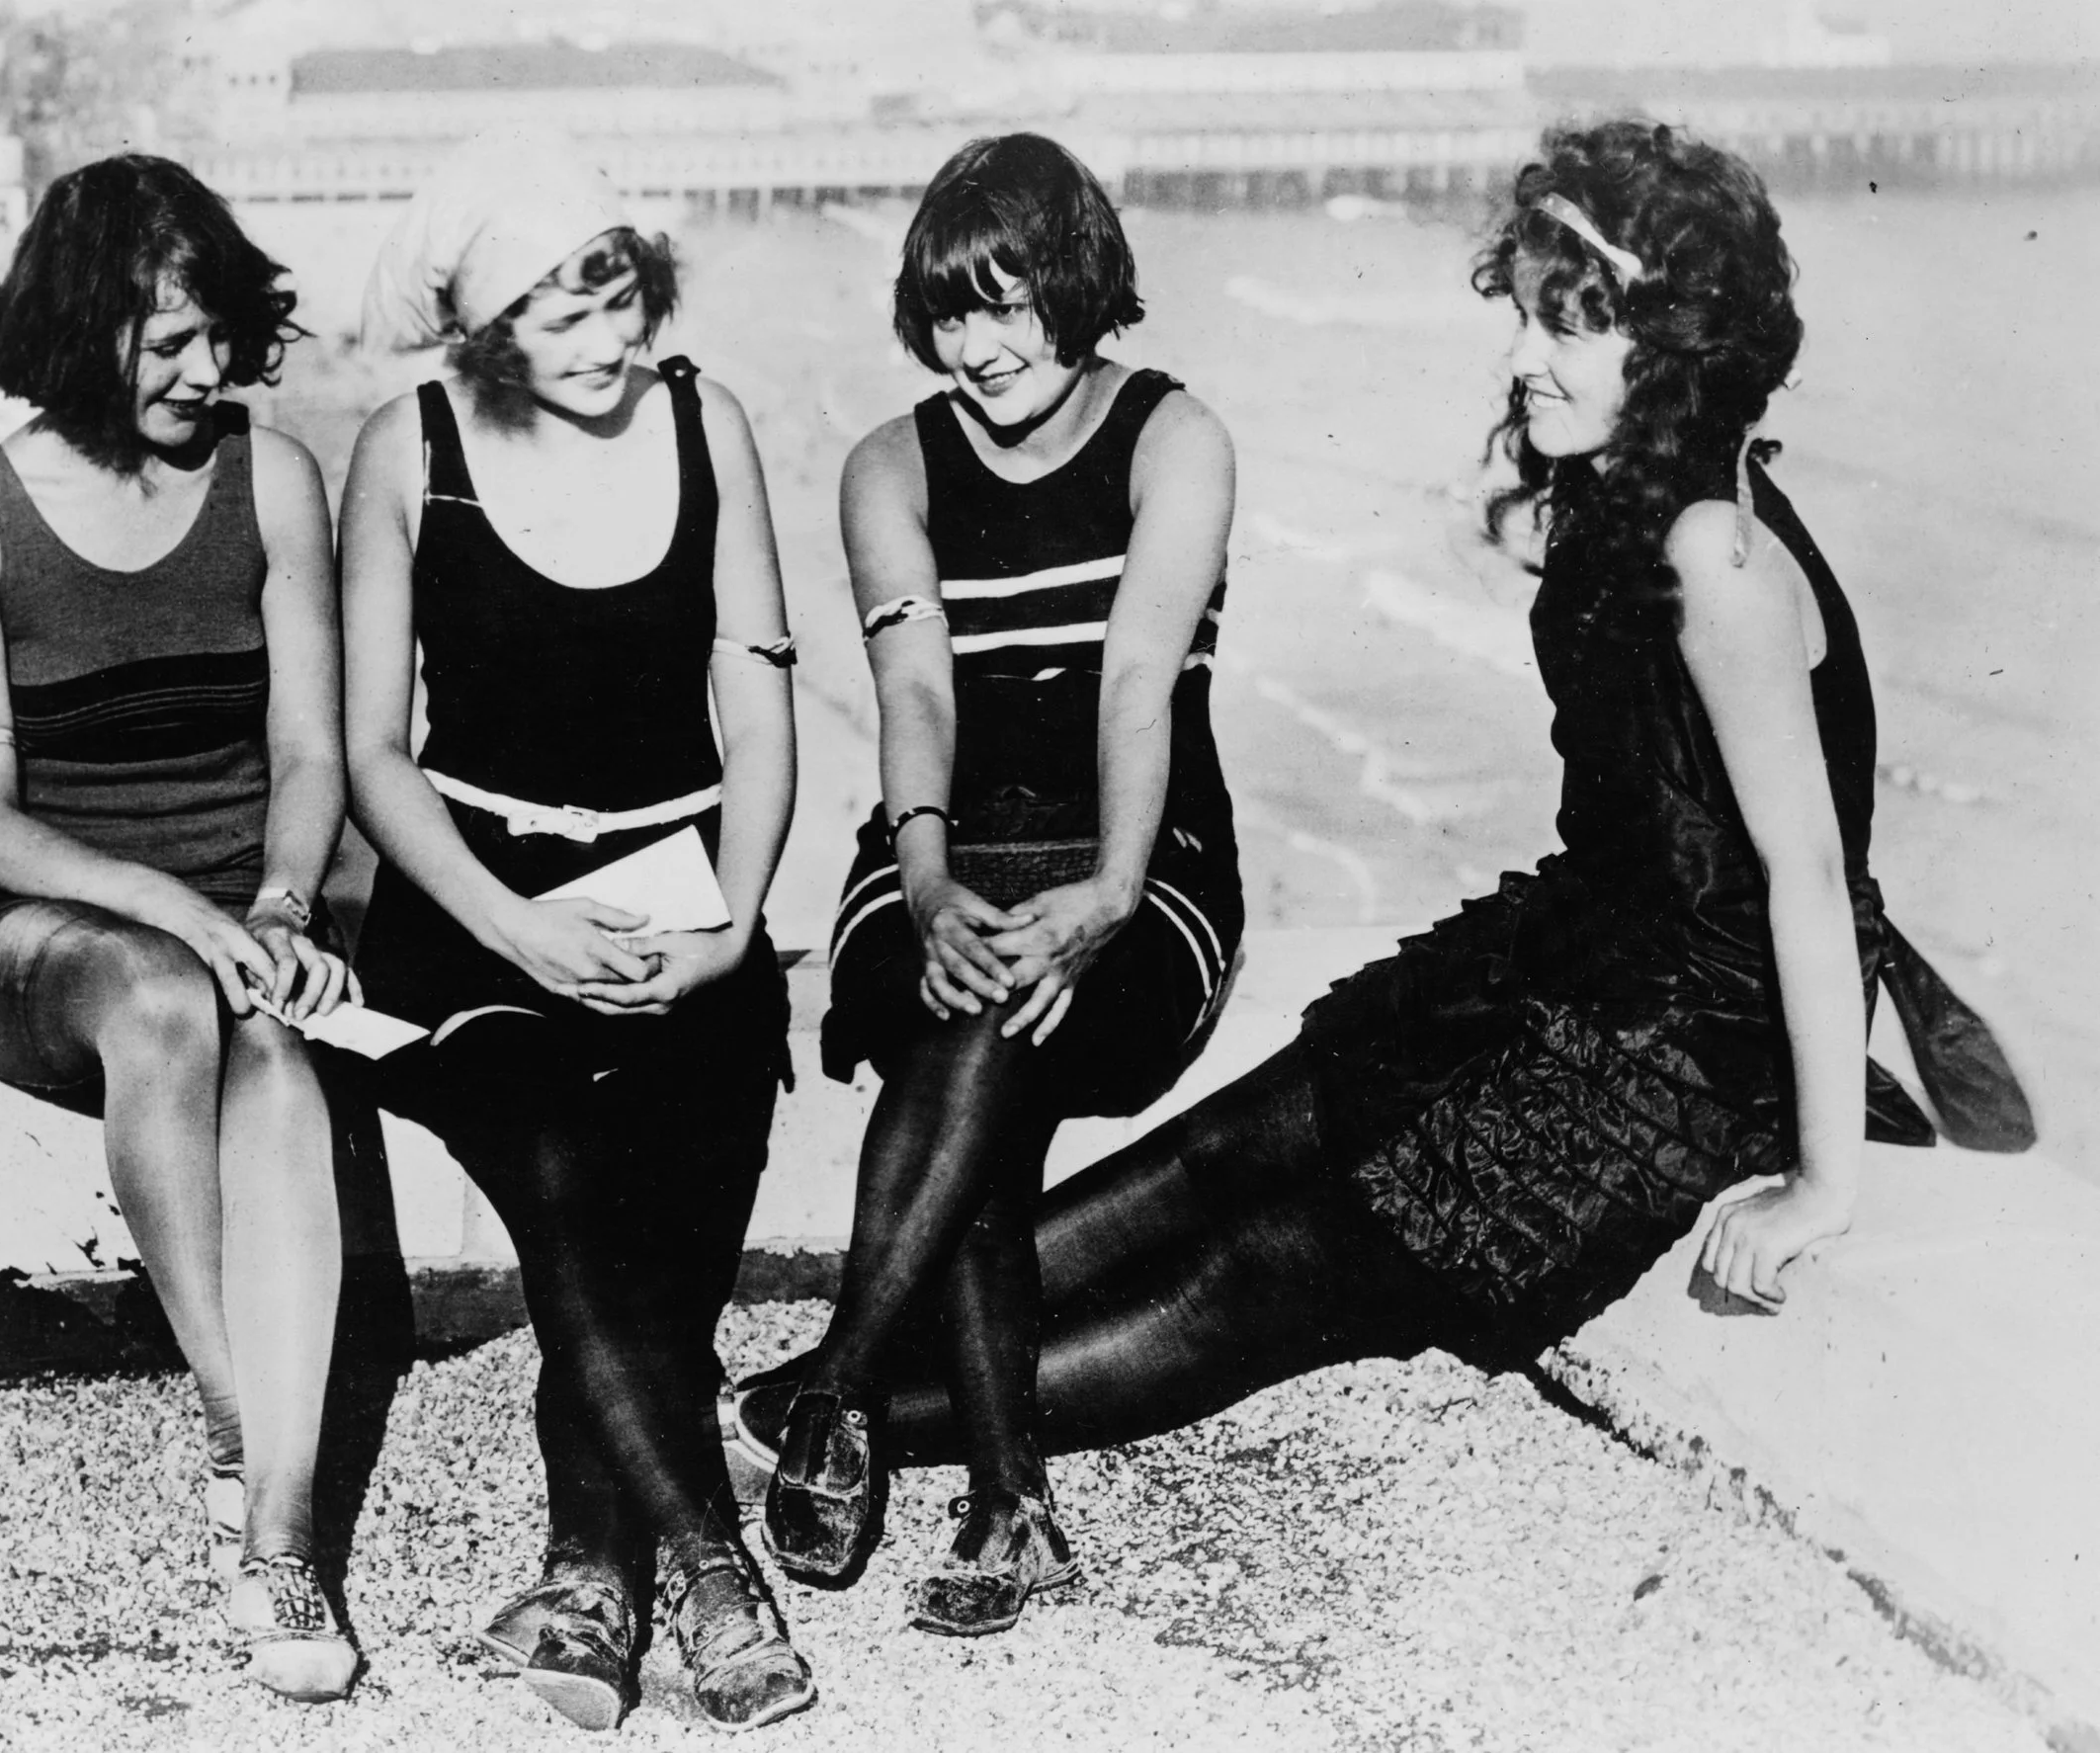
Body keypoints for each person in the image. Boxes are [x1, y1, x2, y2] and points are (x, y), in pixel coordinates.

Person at [730, 119, 2032, 1512]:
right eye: (1527, 319)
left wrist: (1822, 1180)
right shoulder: (1623, 501)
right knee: (1224, 1149)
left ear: (1680, 348)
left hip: (1675, 1058)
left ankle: (825, 1409)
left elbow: (1814, 876)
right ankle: (835, 1381)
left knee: (1255, 1274)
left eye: (1568, 331)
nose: (1522, 358)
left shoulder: (1717, 553)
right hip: (1568, 963)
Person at [341, 135, 810, 1733]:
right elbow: (372, 758)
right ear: (485, 336)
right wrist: (521, 935)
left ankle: (588, 1576)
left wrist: (740, 918)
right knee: (563, 1171)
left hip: (685, 906)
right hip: (473, 922)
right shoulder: (406, 451)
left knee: (666, 1226)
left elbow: (756, 695)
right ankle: (713, 1565)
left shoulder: (708, 423)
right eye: (558, 318)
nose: (607, 342)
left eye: (616, 296)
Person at [759, 133, 1244, 1638]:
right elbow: (916, 693)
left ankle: (838, 1384)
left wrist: (1103, 890)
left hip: (1144, 855)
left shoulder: (1174, 437)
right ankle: (1005, 1503)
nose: (981, 347)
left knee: (986, 1045)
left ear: (1079, 282)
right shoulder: (889, 466)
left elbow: (1136, 685)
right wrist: (918, 873)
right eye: (951, 312)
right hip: (940, 850)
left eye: (1011, 301)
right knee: (972, 1037)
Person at [0, 155, 359, 1702]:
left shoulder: (271, 479)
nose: (207, 367)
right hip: (36, 931)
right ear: (75, 326)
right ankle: (240, 1410)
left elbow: (311, 754)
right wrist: (187, 908)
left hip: (246, 906)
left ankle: (283, 1535)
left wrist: (283, 902)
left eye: (221, 331)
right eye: (167, 337)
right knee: (166, 1003)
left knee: (281, 1066)